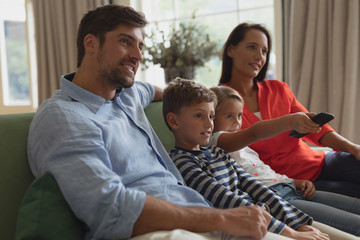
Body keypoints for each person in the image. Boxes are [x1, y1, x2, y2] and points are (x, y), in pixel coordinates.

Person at [27, 4, 299, 240]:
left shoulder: (128, 94)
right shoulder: (64, 116)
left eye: (140, 45)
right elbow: (108, 207)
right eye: (125, 41)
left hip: (198, 215)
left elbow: (164, 91)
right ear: (91, 43)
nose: (137, 54)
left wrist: (202, 98)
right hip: (152, 230)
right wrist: (223, 219)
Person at [163, 78, 331, 240]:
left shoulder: (217, 152)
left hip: (266, 216)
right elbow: (228, 201)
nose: (209, 124)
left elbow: (254, 185)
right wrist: (291, 233)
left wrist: (298, 224)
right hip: (246, 224)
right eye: (199, 116)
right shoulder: (182, 162)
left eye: (212, 116)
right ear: (174, 121)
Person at [218, 22, 360, 198]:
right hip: (295, 184)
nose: (259, 57)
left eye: (264, 51)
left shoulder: (278, 89)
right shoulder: (221, 103)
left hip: (320, 162)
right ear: (231, 50)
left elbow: (316, 129)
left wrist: (352, 148)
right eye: (252, 47)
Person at [209, 85, 360, 236]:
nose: (236, 122)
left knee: (355, 205)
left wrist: (293, 181)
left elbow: (263, 172)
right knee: (354, 224)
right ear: (212, 117)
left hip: (289, 187)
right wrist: (289, 121)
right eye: (229, 116)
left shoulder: (245, 149)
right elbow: (254, 133)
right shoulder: (214, 141)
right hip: (277, 198)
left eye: (240, 116)